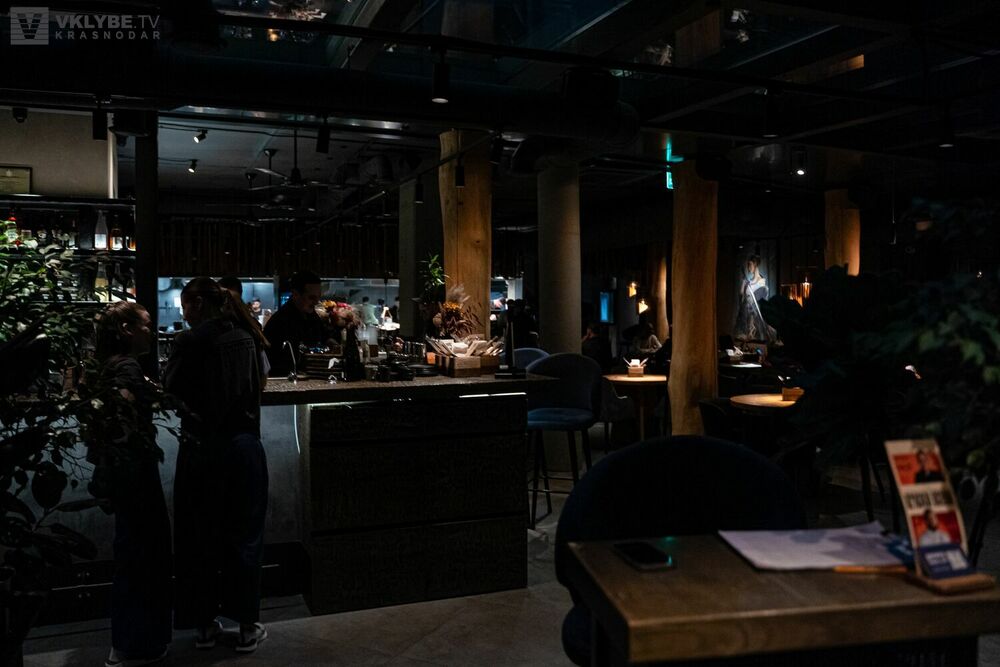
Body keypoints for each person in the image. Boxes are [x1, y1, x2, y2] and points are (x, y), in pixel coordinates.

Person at [164, 278, 269, 654]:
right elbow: (260, 383)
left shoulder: (189, 342)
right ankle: (247, 627)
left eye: (184, 306)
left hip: (202, 448)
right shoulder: (248, 335)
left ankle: (205, 627)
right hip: (244, 446)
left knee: (199, 538)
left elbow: (170, 392)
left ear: (196, 304)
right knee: (245, 537)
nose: (184, 313)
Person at [92, 302, 172, 667]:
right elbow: (121, 419)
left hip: (124, 473)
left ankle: (126, 642)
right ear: (126, 330)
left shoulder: (110, 365)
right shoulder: (126, 367)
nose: (151, 332)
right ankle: (137, 644)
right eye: (145, 325)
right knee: (145, 553)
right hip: (134, 472)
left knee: (132, 553)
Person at [262, 270, 323, 377]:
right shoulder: (280, 321)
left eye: (318, 297)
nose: (317, 302)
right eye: (311, 297)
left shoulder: (312, 316)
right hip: (286, 380)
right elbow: (275, 363)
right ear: (295, 294)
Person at [733, 254, 776, 343]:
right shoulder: (748, 282)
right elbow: (742, 300)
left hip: (756, 321)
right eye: (748, 265)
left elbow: (760, 305)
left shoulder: (762, 283)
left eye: (750, 265)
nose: (748, 268)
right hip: (746, 320)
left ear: (755, 264)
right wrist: (743, 287)